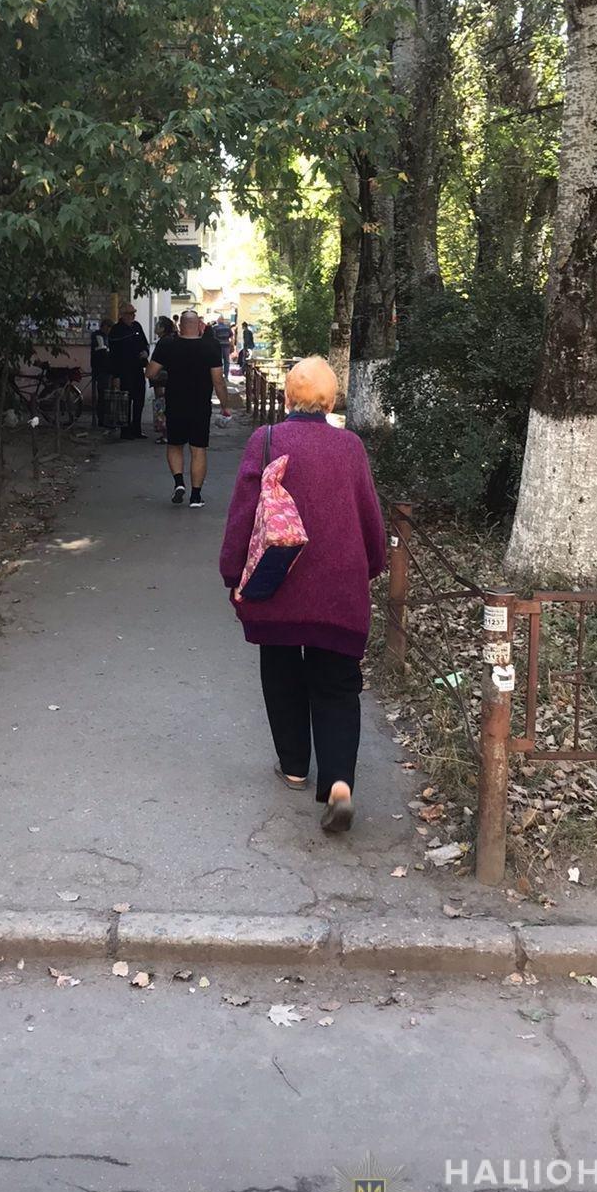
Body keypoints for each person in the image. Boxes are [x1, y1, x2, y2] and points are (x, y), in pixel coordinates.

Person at [218, 356, 386, 834]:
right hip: (339, 586)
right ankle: (339, 785)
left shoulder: (266, 439)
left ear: (288, 398)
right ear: (331, 403)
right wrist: (371, 564)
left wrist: (233, 572)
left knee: (281, 669)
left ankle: (293, 767)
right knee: (338, 684)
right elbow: (369, 516)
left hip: (278, 581)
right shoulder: (350, 447)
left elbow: (244, 513)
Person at [147, 309, 231, 507]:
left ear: (180, 325)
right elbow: (218, 380)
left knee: (174, 445)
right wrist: (224, 405)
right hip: (200, 406)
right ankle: (196, 496)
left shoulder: (167, 344)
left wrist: (166, 373)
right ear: (198, 326)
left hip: (175, 404)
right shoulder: (211, 346)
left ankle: (179, 483)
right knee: (198, 449)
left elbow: (150, 373)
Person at [108, 303, 149, 440]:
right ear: (123, 315)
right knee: (125, 401)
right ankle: (125, 431)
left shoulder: (137, 326)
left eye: (134, 313)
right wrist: (116, 376)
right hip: (124, 370)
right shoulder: (116, 330)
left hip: (137, 369)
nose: (133, 316)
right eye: (130, 313)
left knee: (139, 400)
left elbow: (144, 343)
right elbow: (113, 355)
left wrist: (145, 352)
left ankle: (137, 429)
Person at [151, 315, 176, 441]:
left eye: (158, 325)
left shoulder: (164, 342)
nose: (155, 327)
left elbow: (159, 361)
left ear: (162, 328)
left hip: (162, 379)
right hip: (164, 378)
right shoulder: (169, 340)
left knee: (161, 405)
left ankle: (165, 433)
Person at [89, 317, 114, 428]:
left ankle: (106, 419)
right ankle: (102, 420)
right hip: (101, 370)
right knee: (103, 395)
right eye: (108, 328)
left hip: (107, 370)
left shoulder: (107, 337)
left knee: (107, 395)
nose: (109, 330)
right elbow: (102, 351)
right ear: (104, 327)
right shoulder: (98, 336)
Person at [211, 311, 233, 376]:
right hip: (226, 345)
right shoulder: (228, 327)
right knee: (226, 361)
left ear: (218, 320)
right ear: (223, 320)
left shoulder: (215, 327)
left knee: (218, 361)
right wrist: (231, 344)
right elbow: (231, 336)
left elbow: (213, 337)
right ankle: (226, 375)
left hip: (218, 346)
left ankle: (219, 375)